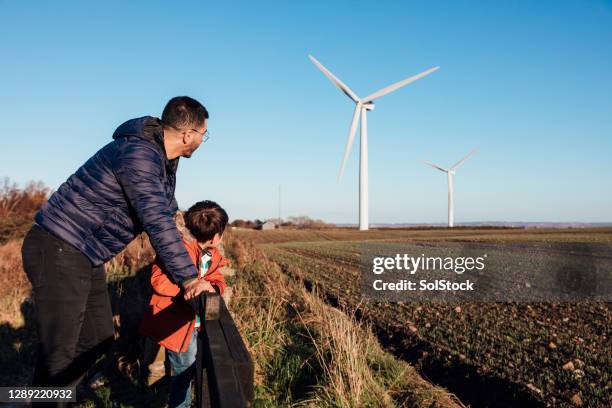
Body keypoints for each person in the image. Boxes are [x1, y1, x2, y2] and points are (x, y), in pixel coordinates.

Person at [21, 96, 215, 393]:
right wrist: (189, 278)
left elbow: (168, 214)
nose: (203, 141)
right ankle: (44, 399)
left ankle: (51, 396)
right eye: (204, 134)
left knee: (98, 337)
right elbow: (156, 220)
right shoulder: (139, 154)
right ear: (189, 134)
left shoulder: (162, 160)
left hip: (85, 254)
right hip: (59, 246)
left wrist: (198, 242)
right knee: (59, 352)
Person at [140, 200, 229, 408]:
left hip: (200, 322)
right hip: (178, 326)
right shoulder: (177, 251)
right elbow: (159, 282)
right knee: (183, 373)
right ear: (216, 237)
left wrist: (211, 288)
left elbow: (218, 279)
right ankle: (180, 405)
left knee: (197, 368)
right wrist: (189, 289)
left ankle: (188, 401)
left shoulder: (212, 255)